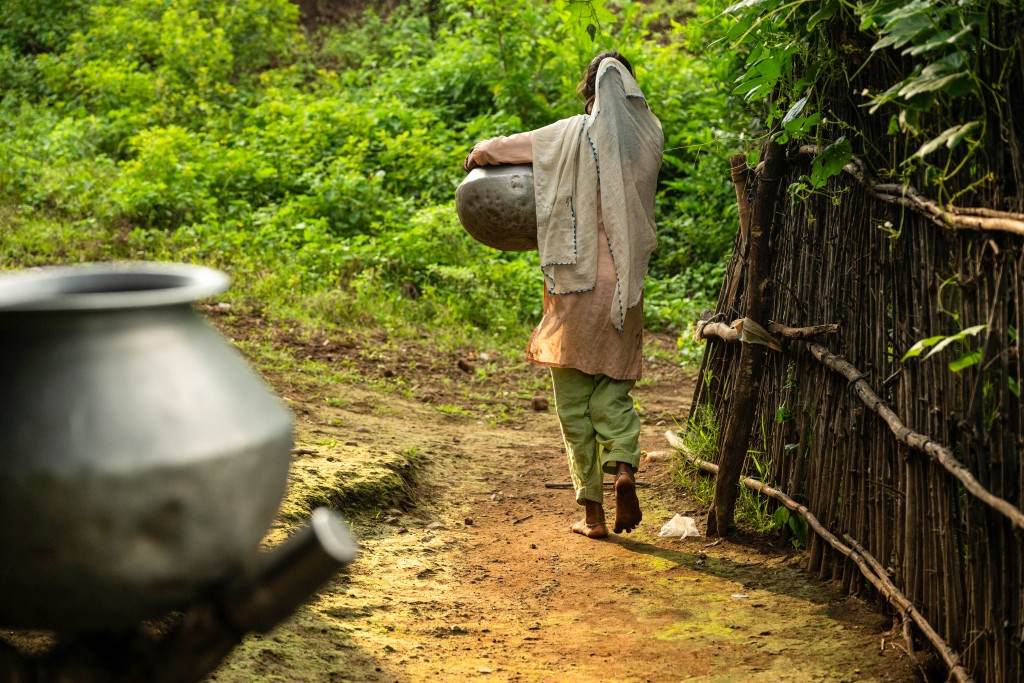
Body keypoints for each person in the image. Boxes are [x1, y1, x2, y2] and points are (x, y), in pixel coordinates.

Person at [464, 51, 663, 539]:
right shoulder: (649, 138)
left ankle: (593, 515)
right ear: (631, 88)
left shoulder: (569, 133)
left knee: (572, 401)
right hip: (623, 288)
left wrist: (478, 154)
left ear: (589, 90)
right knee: (613, 387)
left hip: (573, 282)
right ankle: (623, 470)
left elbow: (499, 151)